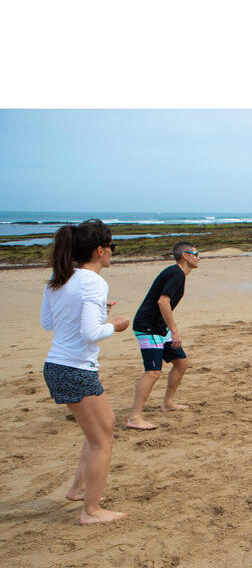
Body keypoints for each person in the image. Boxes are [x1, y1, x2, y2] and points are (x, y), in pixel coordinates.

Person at [40, 219, 130, 525]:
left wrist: (97, 312)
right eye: (111, 248)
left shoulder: (59, 276)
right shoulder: (93, 282)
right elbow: (91, 333)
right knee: (102, 439)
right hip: (75, 369)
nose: (111, 254)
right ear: (100, 250)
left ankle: (79, 489)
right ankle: (91, 511)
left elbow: (48, 322)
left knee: (98, 432)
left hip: (56, 366)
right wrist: (114, 325)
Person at [127, 241, 199, 430]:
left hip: (159, 327)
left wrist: (168, 330)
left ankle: (168, 403)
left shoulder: (178, 274)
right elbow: (163, 301)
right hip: (148, 326)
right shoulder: (176, 273)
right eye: (195, 253)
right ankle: (134, 417)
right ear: (185, 255)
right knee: (153, 372)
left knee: (181, 362)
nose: (198, 257)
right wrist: (174, 331)